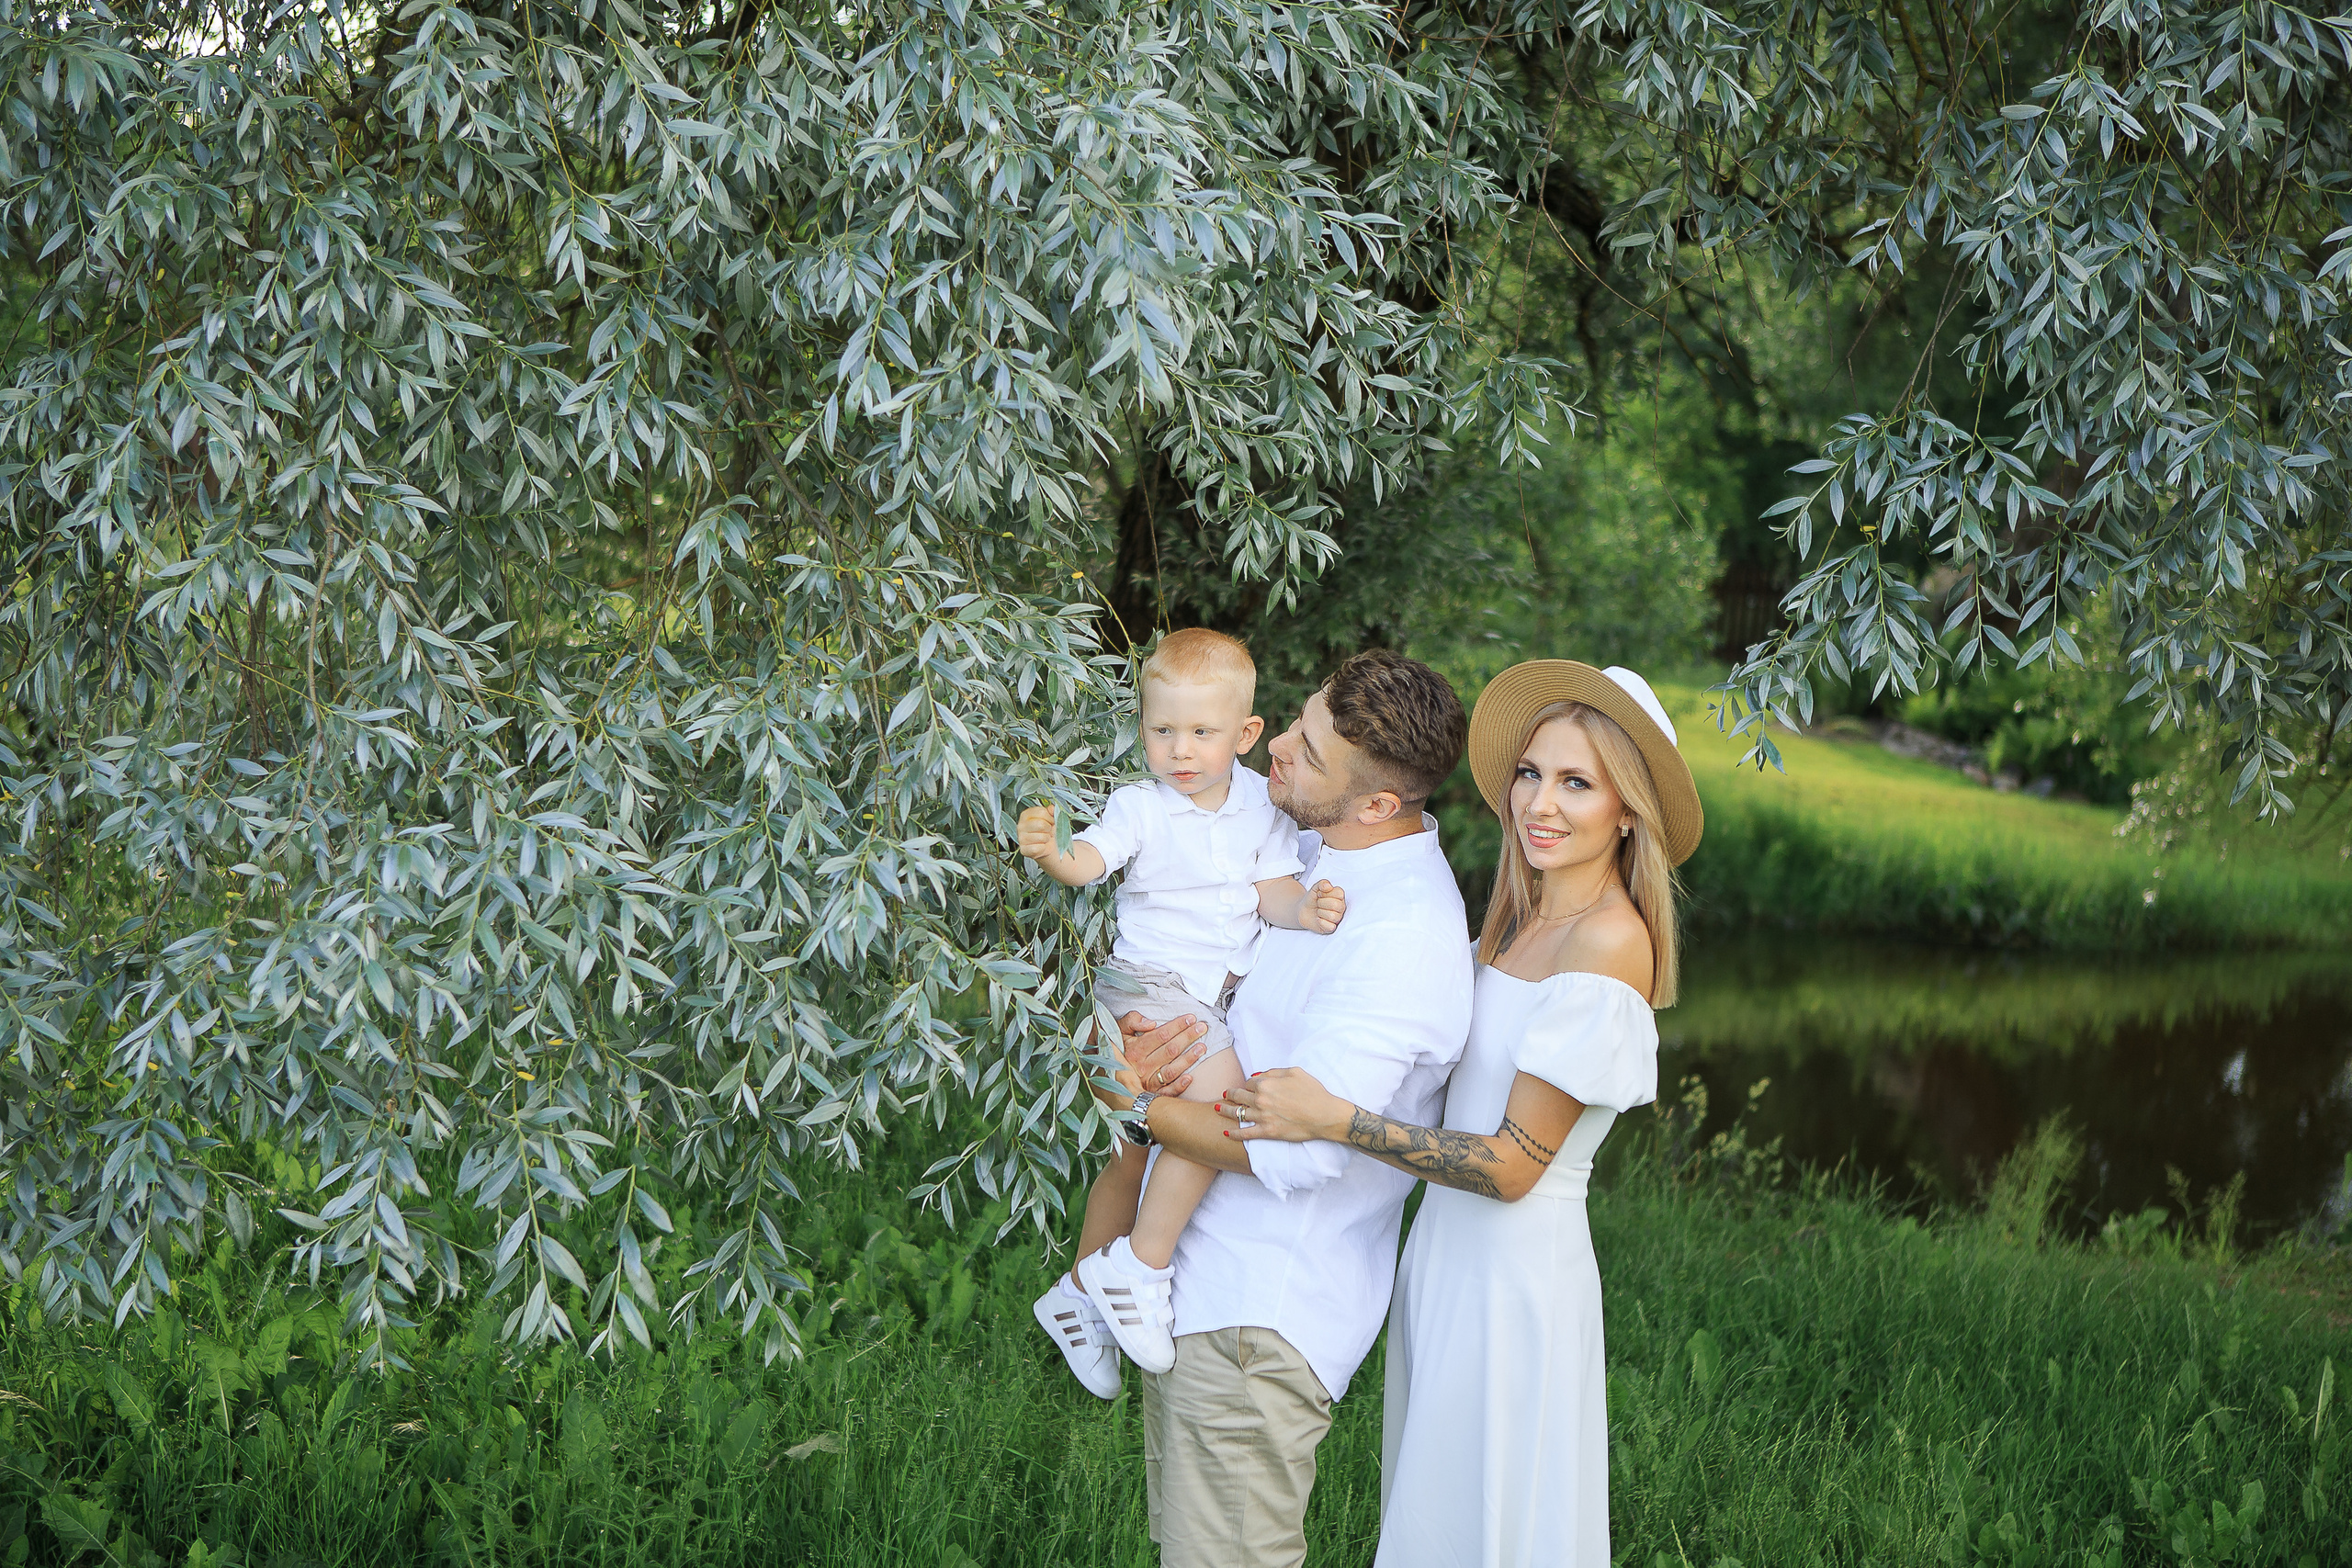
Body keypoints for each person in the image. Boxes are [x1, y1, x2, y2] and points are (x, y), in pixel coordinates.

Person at [1217, 660, 1705, 1568]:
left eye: (1575, 783)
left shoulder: (1608, 941)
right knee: (1436, 1518)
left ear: (1626, 809)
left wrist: (1338, 1120)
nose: (1539, 805)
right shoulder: (1512, 922)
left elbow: (1516, 1167)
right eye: (1530, 773)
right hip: (1441, 1259)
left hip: (1515, 1282)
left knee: (1491, 1520)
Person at [1097, 649, 1476, 1568]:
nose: (1277, 756)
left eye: (1305, 752)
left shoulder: (1401, 942)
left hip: (1256, 1323)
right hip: (1198, 1286)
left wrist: (1128, 1103)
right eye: (1297, 726)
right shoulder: (1303, 852)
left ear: (1378, 803)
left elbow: (1294, 1149)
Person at [1018, 628, 1348, 1392]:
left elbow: (1274, 894)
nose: (1181, 749)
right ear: (1144, 730)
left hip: (1196, 996)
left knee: (1130, 1155)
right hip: (1147, 986)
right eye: (1162, 730)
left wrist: (1311, 907)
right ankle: (1142, 1265)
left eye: (1201, 732)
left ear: (1246, 733)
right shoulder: (1140, 806)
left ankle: (1076, 1297)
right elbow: (1087, 863)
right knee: (1226, 1107)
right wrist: (1049, 851)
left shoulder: (1261, 817)